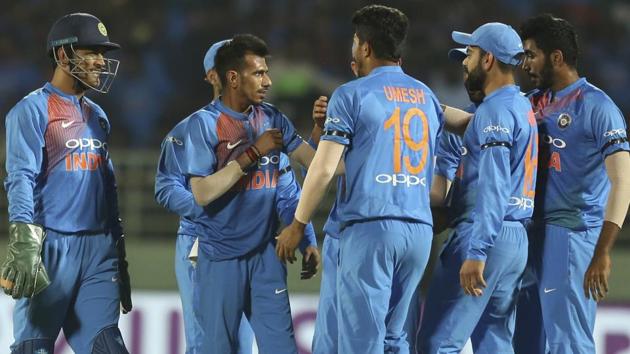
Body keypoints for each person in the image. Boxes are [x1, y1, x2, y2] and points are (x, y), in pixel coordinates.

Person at [276, 5, 443, 353]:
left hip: (371, 228)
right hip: (419, 231)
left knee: (359, 342)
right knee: (395, 339)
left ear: (365, 47)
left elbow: (322, 169)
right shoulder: (427, 96)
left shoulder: (352, 94)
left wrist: (297, 224)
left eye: (355, 41)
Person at [181, 34, 320, 353]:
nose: (268, 81)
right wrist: (251, 155)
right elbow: (201, 193)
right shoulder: (202, 126)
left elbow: (304, 175)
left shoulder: (273, 119)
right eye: (258, 73)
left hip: (266, 257)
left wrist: (325, 133)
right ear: (231, 77)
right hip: (219, 259)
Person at [0, 13, 131, 353]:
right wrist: (25, 243)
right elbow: (21, 178)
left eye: (103, 53)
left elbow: (108, 187)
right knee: (33, 347)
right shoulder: (31, 110)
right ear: (63, 56)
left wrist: (120, 254)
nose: (102, 62)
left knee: (107, 346)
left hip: (99, 251)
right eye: (92, 52)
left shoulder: (98, 116)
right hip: (50, 246)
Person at [417, 22, 538, 354]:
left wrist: (477, 251)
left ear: (488, 60)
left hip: (485, 234)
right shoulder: (521, 106)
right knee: (493, 343)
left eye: (469, 54)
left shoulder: (494, 112)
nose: (464, 62)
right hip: (514, 238)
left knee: (436, 343)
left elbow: (494, 187)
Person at [519, 14, 630, 354]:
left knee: (568, 344)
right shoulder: (532, 102)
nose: (525, 64)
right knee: (529, 341)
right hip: (531, 234)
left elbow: (623, 183)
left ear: (556, 57)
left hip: (572, 236)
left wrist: (603, 251)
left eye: (531, 54)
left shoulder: (597, 107)